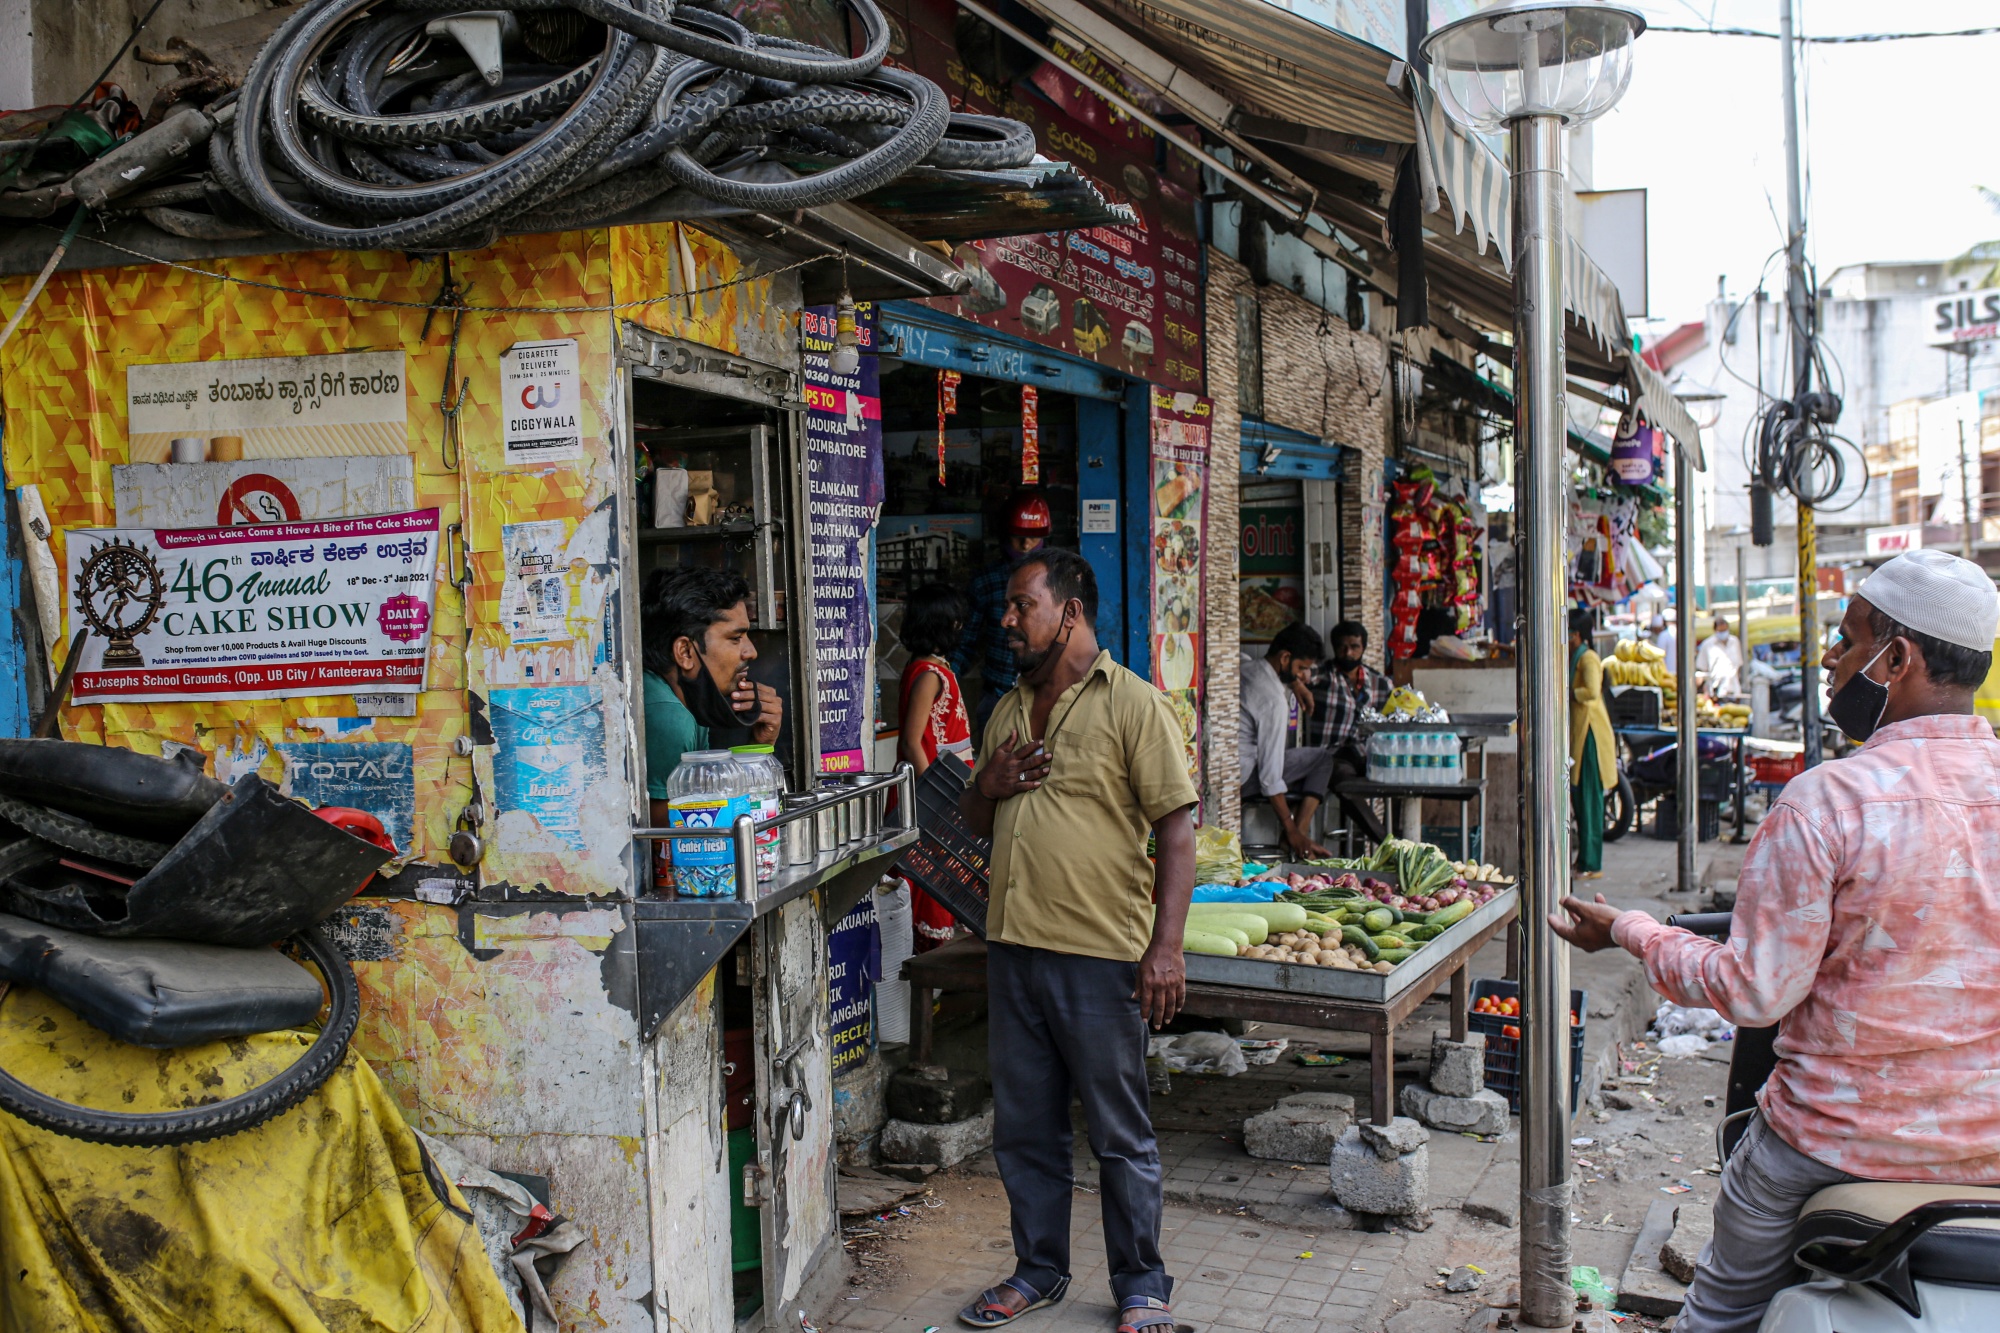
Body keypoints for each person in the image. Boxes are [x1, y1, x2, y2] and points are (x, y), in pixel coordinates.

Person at [1549, 548, 2000, 1333]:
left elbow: (1754, 990)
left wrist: (1631, 928)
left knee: (1718, 1314)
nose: (1828, 657)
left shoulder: (1827, 801)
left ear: (1899, 658)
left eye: (1849, 639)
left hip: (1832, 1142)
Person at [956, 549, 1197, 1333]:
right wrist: (986, 787)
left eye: (1021, 604)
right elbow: (975, 819)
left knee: (1118, 1130)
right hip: (1013, 949)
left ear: (1070, 611)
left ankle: (1141, 1283)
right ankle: (1039, 1269)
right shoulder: (1004, 708)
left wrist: (1166, 947)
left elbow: (1177, 830)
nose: (1007, 619)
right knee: (1025, 1125)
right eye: (1009, 606)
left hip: (1099, 955)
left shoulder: (1133, 705)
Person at [640, 566, 783, 823]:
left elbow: (707, 799)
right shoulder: (668, 716)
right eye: (735, 638)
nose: (751, 652)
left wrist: (757, 748)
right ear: (684, 652)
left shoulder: (690, 700)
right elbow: (669, 827)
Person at [897, 583, 973, 949]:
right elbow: (912, 740)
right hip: (930, 792)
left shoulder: (928, 668)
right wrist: (937, 793)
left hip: (935, 789)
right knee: (931, 871)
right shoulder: (930, 674)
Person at [957, 492, 1052, 738]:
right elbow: (965, 645)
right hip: (1000, 695)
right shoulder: (986, 582)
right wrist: (941, 677)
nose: (1025, 545)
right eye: (1018, 538)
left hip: (1049, 694)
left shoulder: (1059, 582)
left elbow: (1082, 637)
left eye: (1033, 538)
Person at [1239, 622, 1333, 859]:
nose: (1304, 676)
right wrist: (1289, 828)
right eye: (1301, 668)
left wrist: (1294, 681)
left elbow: (1243, 656)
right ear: (1285, 658)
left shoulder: (1246, 667)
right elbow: (1270, 779)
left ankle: (1297, 834)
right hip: (1244, 778)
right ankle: (1297, 837)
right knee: (1323, 760)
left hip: (1233, 768)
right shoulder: (1274, 702)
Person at [1301, 619, 1391, 844]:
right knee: (1346, 784)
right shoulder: (1321, 675)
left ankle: (1402, 834)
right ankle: (1386, 843)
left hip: (1364, 753)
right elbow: (1295, 675)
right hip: (1331, 754)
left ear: (1363, 648)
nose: (1348, 652)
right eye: (1342, 646)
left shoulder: (1380, 683)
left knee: (1398, 779)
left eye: (1354, 646)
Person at [1569, 607, 1614, 880]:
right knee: (1581, 802)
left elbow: (1591, 692)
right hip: (1581, 735)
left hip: (1591, 737)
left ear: (1577, 634)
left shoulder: (1588, 659)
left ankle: (1592, 864)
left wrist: (1565, 692)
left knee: (1590, 802)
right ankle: (1583, 859)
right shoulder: (1578, 656)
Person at [1696, 615, 1744, 699]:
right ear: (1715, 630)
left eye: (1724, 630)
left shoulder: (1735, 642)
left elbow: (1739, 664)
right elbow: (1702, 668)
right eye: (1720, 631)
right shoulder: (1707, 645)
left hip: (1734, 689)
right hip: (1715, 690)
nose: (1723, 633)